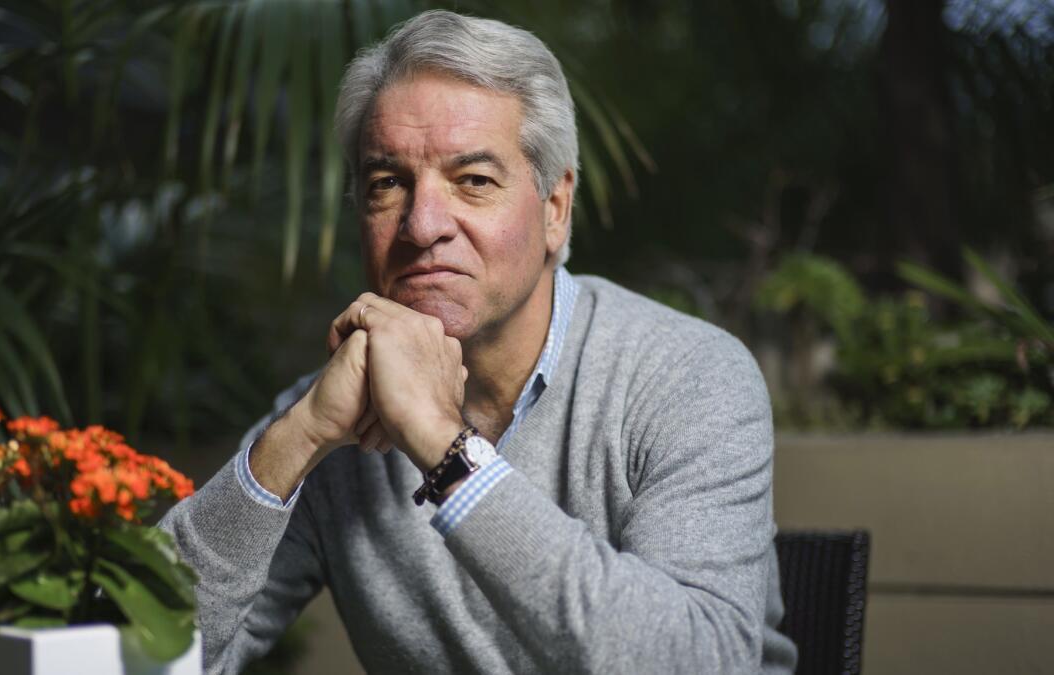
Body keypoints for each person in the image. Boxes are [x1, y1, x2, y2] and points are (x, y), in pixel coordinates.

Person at [160, 9, 797, 674]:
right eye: (387, 183)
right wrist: (292, 441)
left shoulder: (689, 377)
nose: (422, 224)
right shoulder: (335, 417)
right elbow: (129, 654)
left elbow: (698, 660)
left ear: (555, 208)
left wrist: (443, 447)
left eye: (473, 180)